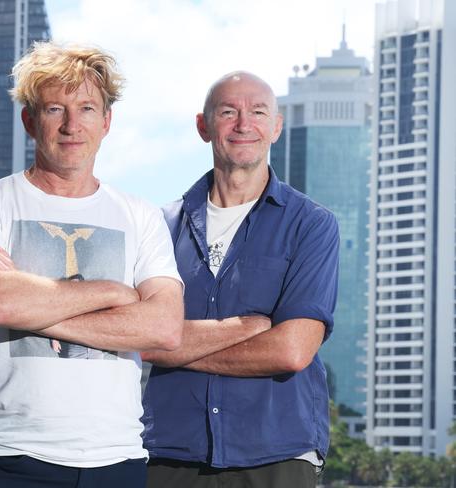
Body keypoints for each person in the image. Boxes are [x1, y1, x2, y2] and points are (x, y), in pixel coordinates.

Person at [0, 42, 184, 488]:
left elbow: (165, 327)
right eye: (56, 109)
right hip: (8, 453)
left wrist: (34, 304)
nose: (73, 125)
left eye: (88, 109)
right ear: (30, 121)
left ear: (107, 122)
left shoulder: (140, 215)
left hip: (117, 457)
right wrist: (115, 294)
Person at [141, 71, 339, 488]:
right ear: (203, 126)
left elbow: (291, 350)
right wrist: (243, 329)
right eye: (228, 112)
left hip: (277, 452)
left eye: (258, 112)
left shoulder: (312, 224)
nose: (244, 124)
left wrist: (170, 347)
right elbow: (139, 338)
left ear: (276, 128)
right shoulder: (158, 226)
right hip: (170, 450)